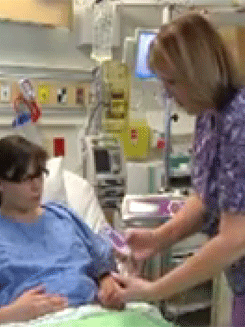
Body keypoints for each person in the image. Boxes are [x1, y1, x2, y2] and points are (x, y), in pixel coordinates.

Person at [111, 12, 245, 327]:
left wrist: (154, 290)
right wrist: (158, 238)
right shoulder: (209, 114)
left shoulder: (239, 119)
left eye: (172, 82)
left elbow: (235, 239)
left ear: (198, 72)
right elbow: (206, 197)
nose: (167, 94)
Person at [0, 135, 124, 327]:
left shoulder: (63, 215)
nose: (36, 186)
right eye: (26, 178)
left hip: (95, 315)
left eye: (39, 174)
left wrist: (107, 283)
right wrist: (10, 314)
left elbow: (103, 263)